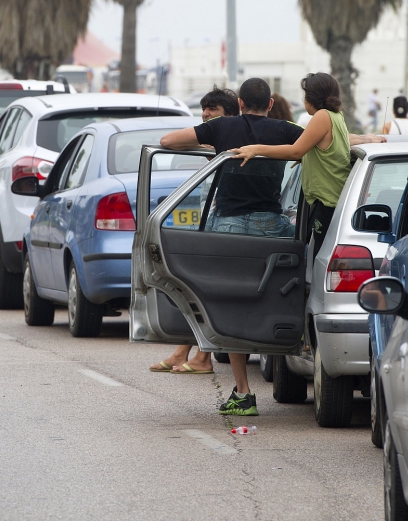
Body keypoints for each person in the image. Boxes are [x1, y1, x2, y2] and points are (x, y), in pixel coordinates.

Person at [156, 78, 307, 416]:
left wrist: (212, 145)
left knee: (231, 305)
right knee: (281, 290)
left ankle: (243, 391)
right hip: (271, 224)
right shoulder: (284, 130)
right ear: (270, 105)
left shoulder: (222, 127)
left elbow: (166, 141)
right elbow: (328, 142)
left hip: (227, 226)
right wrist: (368, 138)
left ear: (239, 104)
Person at [230, 72, 385, 259]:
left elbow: (296, 150)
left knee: (316, 261)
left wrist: (256, 149)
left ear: (311, 99)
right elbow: (323, 148)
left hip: (328, 202)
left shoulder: (322, 117)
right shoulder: (335, 116)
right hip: (330, 200)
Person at [148, 86, 239, 376]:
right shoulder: (215, 141)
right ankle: (183, 350)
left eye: (213, 110)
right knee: (194, 287)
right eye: (204, 110)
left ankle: (203, 357)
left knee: (210, 290)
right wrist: (205, 146)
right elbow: (168, 142)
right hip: (211, 221)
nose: (206, 115)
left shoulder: (233, 138)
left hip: (228, 223)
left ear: (230, 114)